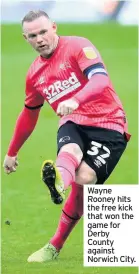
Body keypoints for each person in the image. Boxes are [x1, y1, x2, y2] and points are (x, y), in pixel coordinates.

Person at [3, 10, 131, 263]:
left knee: (85, 179)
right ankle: (60, 181)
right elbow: (29, 114)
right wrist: (11, 152)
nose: (39, 39)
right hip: (73, 122)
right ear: (25, 39)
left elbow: (100, 80)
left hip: (109, 124)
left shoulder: (78, 46)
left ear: (53, 27)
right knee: (69, 151)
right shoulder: (34, 75)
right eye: (32, 36)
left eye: (42, 32)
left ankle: (56, 239)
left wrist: (76, 98)